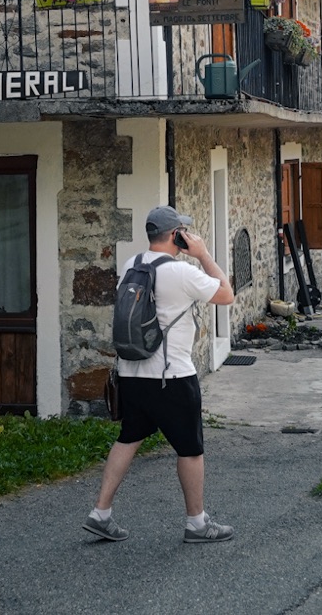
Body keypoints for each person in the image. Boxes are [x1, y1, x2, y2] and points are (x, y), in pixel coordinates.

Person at [85, 205, 237, 544]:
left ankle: (101, 513)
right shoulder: (182, 273)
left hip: (131, 373)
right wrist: (204, 255)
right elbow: (226, 294)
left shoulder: (131, 265)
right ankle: (197, 523)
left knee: (129, 437)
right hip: (172, 377)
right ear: (176, 236)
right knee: (190, 449)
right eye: (183, 231)